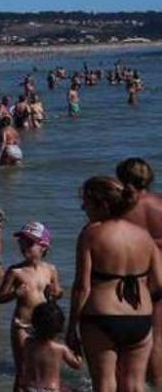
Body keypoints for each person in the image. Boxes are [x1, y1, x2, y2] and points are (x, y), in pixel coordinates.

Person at [67, 176, 162, 391]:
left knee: (104, 385)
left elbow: (82, 286)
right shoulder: (144, 237)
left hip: (101, 318)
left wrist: (72, 326)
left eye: (87, 202)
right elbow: (159, 283)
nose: (83, 207)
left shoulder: (91, 234)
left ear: (103, 204)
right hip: (140, 318)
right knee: (135, 385)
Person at [0, 221, 62, 391]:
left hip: (44, 326)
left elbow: (58, 292)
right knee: (23, 370)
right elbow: (0, 298)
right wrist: (15, 294)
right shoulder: (15, 271)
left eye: (29, 242)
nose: (24, 246)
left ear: (43, 247)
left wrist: (56, 293)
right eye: (22, 241)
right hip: (22, 325)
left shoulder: (50, 269)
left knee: (43, 370)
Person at [116, 158, 162, 384]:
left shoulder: (122, 209)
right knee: (158, 337)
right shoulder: (160, 204)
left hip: (133, 280)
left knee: (128, 340)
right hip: (160, 278)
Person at [19, 301, 82, 392]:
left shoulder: (28, 343)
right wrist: (77, 345)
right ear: (59, 327)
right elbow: (77, 364)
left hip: (29, 387)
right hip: (50, 389)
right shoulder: (60, 348)